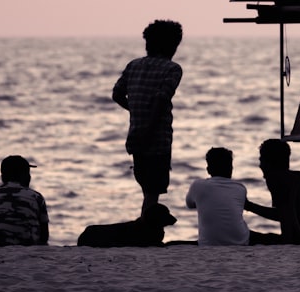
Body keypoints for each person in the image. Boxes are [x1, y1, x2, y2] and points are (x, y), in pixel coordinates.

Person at [112, 20, 184, 215]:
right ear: (173, 45)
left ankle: (145, 231)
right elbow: (161, 101)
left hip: (135, 137)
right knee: (153, 193)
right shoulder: (172, 69)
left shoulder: (133, 66)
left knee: (147, 190)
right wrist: (150, 128)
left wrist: (136, 110)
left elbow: (117, 94)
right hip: (158, 139)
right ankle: (146, 234)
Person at [185, 147, 253, 246]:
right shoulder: (240, 188)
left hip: (208, 243)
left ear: (208, 169)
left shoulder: (198, 185)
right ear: (231, 168)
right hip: (241, 241)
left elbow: (190, 204)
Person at [77, 203, 177, 247]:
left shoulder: (143, 229)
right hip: (91, 237)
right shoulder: (145, 233)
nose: (172, 218)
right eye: (166, 214)